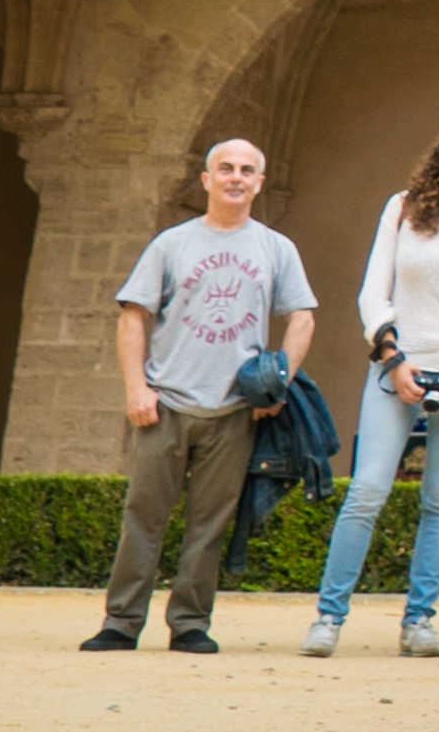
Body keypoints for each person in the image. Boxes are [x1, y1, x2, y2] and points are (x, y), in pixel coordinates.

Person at [308, 108, 439, 658]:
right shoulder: (402, 207)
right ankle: (328, 619)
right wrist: (392, 355)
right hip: (396, 367)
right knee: (366, 492)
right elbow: (372, 292)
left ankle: (419, 622)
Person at [83, 138, 315, 654]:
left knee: (209, 525)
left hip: (234, 411)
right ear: (206, 180)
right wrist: (135, 388)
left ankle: (190, 622)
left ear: (259, 181)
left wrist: (279, 380)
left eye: (247, 170)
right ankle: (121, 622)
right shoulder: (171, 244)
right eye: (225, 168)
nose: (236, 176)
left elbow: (303, 316)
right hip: (164, 403)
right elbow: (133, 316)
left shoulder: (277, 248)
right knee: (143, 515)